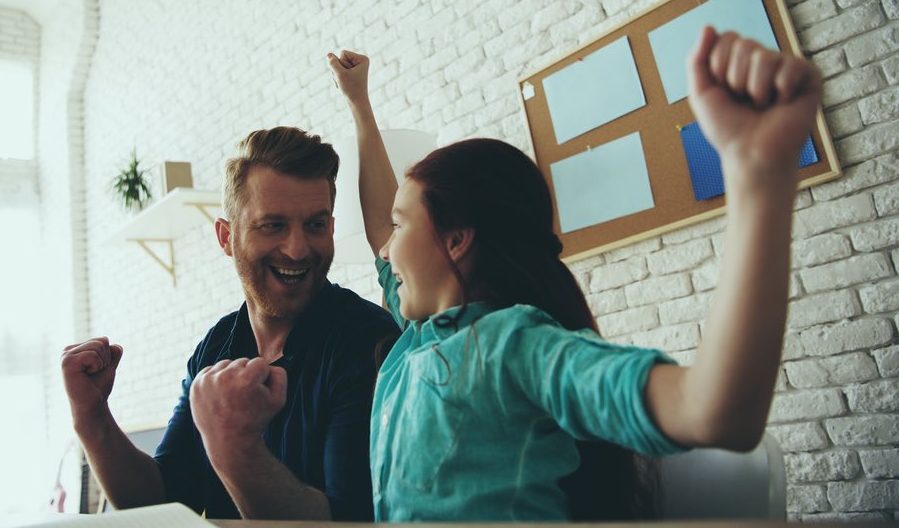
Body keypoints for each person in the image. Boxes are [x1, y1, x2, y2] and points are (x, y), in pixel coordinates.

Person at [327, 26, 822, 521]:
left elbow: (715, 411)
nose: (386, 252)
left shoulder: (516, 346)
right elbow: (377, 230)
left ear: (456, 240)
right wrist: (360, 105)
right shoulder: (416, 337)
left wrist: (759, 180)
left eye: (400, 226)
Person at [61, 127, 398, 520]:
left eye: (315, 225)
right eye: (272, 225)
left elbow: (346, 522)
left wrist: (234, 447)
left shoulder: (370, 341)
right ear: (226, 237)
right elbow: (162, 504)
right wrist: (91, 416)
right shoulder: (216, 345)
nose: (298, 248)